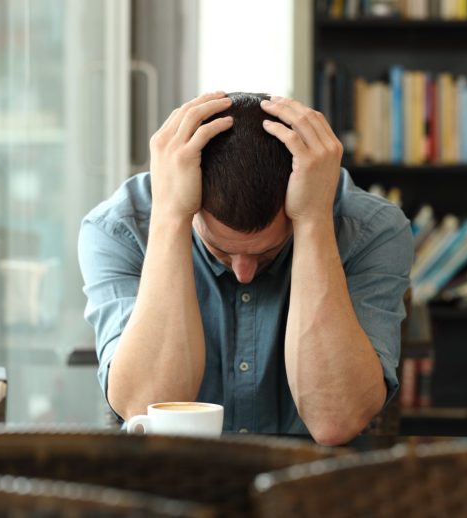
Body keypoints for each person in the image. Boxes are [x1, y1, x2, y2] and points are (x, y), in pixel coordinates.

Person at [78, 92, 412, 446]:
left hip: (312, 483)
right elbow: (146, 411)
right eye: (221, 250)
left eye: (267, 251)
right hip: (171, 481)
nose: (244, 273)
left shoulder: (372, 229)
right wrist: (171, 218)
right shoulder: (118, 229)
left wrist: (313, 221)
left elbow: (336, 421)